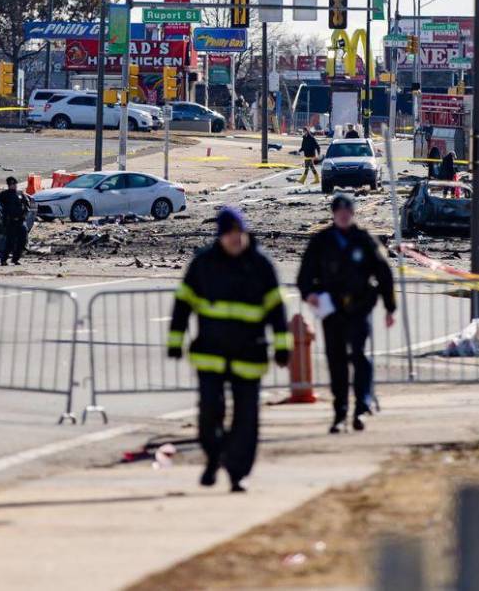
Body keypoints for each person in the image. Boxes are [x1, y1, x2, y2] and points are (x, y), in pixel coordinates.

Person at [167, 207, 289, 492]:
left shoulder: (261, 266)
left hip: (249, 356)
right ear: (220, 236)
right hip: (211, 354)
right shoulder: (203, 264)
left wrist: (283, 347)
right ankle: (214, 457)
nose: (235, 239)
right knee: (209, 414)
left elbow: (277, 310)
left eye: (239, 233)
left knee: (247, 420)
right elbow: (183, 303)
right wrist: (175, 341)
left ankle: (238, 474)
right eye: (229, 234)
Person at [297, 193, 396, 434]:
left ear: (352, 213)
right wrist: (308, 293)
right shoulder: (321, 241)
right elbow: (305, 275)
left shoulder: (364, 240)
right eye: (339, 211)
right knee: (337, 360)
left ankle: (361, 406)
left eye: (347, 211)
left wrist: (389, 307)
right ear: (333, 214)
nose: (343, 215)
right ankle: (340, 411)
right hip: (331, 310)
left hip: (359, 307)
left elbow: (383, 273)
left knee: (359, 355)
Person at [0, 175, 32, 266]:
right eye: (11, 184)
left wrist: (24, 214)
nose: (13, 185)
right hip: (10, 222)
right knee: (10, 242)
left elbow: (27, 205)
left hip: (21, 221)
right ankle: (3, 260)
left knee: (23, 240)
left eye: (14, 184)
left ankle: (15, 259)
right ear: (8, 185)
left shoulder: (21, 194)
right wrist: (4, 217)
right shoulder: (4, 195)